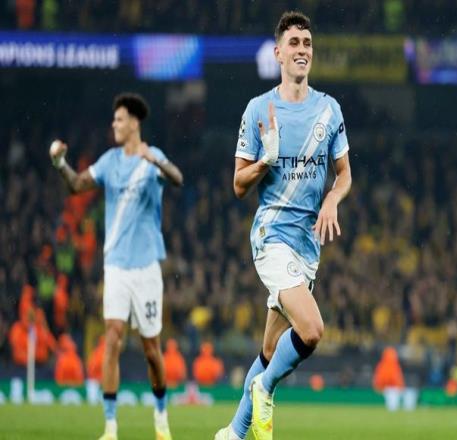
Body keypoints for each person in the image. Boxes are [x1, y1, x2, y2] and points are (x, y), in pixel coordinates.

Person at [215, 11, 352, 440]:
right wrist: (265, 161)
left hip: (308, 246)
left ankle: (234, 433)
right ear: (278, 53)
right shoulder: (259, 109)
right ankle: (265, 388)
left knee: (271, 348)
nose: (302, 50)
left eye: (307, 43)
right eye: (294, 43)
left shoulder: (329, 110)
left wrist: (332, 199)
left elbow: (345, 175)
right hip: (272, 236)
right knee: (311, 330)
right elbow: (238, 185)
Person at [49, 92, 183, 440]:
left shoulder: (151, 157)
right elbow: (77, 185)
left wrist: (154, 161)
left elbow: (177, 178)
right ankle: (110, 427)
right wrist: (60, 163)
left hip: (146, 268)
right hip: (117, 268)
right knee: (112, 338)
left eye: (119, 119)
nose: (114, 124)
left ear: (134, 123)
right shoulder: (109, 161)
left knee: (151, 349)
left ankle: (161, 416)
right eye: (114, 119)